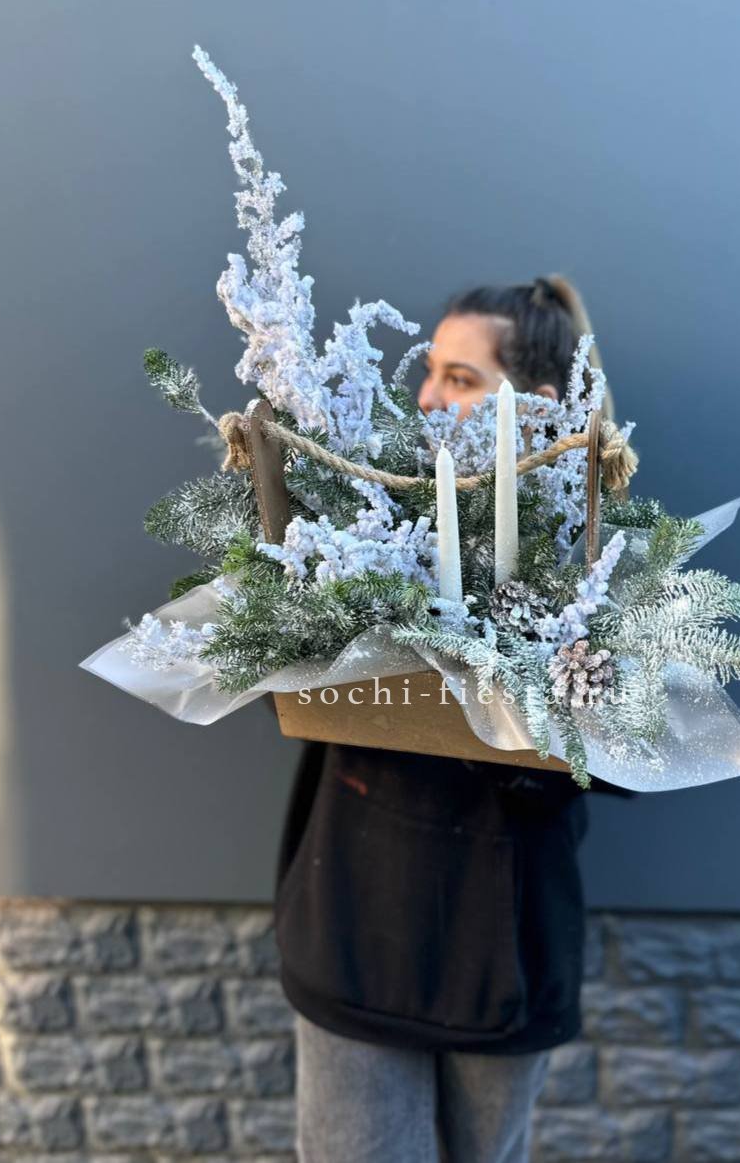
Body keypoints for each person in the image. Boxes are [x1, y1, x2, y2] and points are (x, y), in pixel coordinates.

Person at [272, 274, 637, 1163]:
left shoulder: (596, 563)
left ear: (536, 406)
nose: (429, 396)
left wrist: (534, 712)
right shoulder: (355, 521)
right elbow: (289, 689)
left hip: (501, 949)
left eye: (462, 378)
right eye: (431, 372)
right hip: (356, 932)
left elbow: (630, 754)